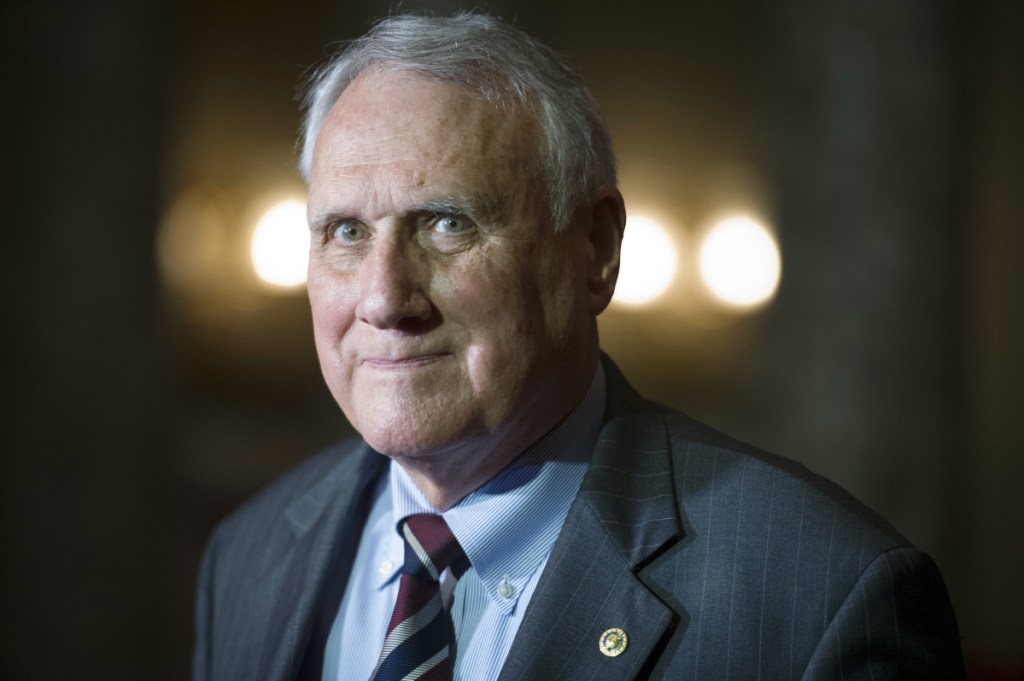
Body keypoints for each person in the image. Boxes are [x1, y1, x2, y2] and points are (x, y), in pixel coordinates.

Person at [192, 12, 964, 681]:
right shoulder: (249, 553)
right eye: (346, 232)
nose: (385, 298)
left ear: (594, 248)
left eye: (447, 223)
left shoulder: (824, 596)